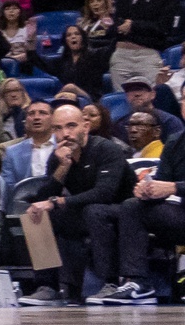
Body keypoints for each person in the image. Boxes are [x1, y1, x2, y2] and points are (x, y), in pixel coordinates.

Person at [19, 103, 137, 305]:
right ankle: (48, 287)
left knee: (94, 211)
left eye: (71, 126)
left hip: (125, 212)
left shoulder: (106, 149)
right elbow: (44, 196)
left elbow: (105, 193)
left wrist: (57, 202)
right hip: (85, 211)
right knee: (37, 214)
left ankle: (110, 283)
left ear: (86, 127)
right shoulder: (58, 157)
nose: (65, 134)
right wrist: (63, 167)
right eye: (58, 128)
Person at [85, 125, 185, 303]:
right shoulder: (175, 141)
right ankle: (138, 283)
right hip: (180, 215)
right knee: (133, 206)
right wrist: (147, 191)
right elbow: (162, 182)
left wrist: (175, 187)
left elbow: (171, 186)